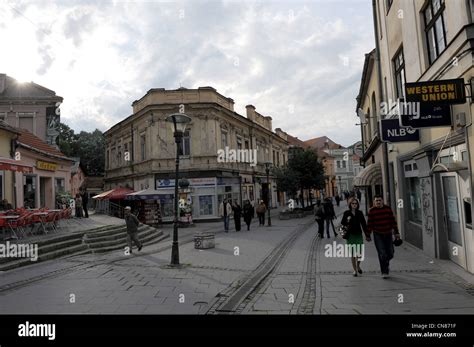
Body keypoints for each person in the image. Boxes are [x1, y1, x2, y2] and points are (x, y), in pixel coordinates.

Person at [366, 195, 400, 279]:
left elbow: (393, 221)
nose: (378, 202)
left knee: (391, 253)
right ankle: (384, 271)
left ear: (382, 201)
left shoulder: (388, 209)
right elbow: (369, 224)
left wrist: (396, 232)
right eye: (376, 201)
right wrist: (368, 235)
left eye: (379, 200)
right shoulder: (372, 211)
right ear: (374, 202)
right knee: (382, 253)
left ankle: (385, 264)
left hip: (388, 233)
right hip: (378, 234)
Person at [341, 198, 367, 277]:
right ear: (350, 205)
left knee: (359, 254)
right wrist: (343, 233)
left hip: (358, 235)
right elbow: (342, 223)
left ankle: (358, 265)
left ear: (357, 204)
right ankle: (355, 270)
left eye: (356, 203)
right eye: (353, 203)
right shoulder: (346, 213)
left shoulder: (360, 213)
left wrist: (367, 235)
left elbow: (363, 224)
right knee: (352, 253)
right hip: (350, 235)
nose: (354, 205)